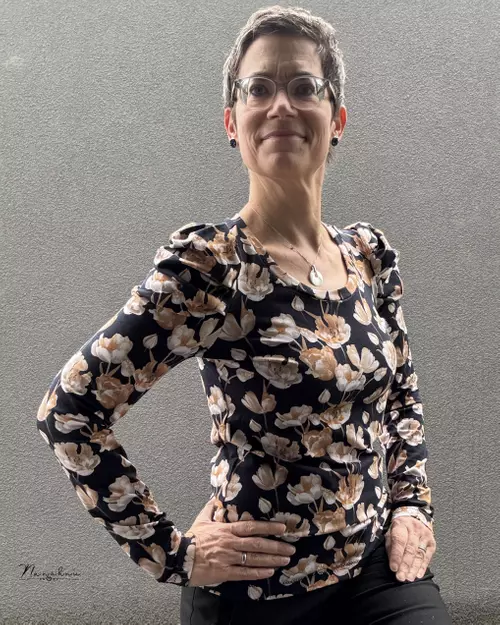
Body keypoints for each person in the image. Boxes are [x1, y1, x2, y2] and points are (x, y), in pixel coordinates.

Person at [36, 5, 453, 624]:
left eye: (304, 86)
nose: (281, 104)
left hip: (372, 574)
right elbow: (69, 410)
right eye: (258, 88)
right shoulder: (212, 267)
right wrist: (171, 553)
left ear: (336, 119)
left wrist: (412, 505)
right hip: (257, 594)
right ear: (233, 122)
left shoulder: (370, 256)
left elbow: (402, 396)